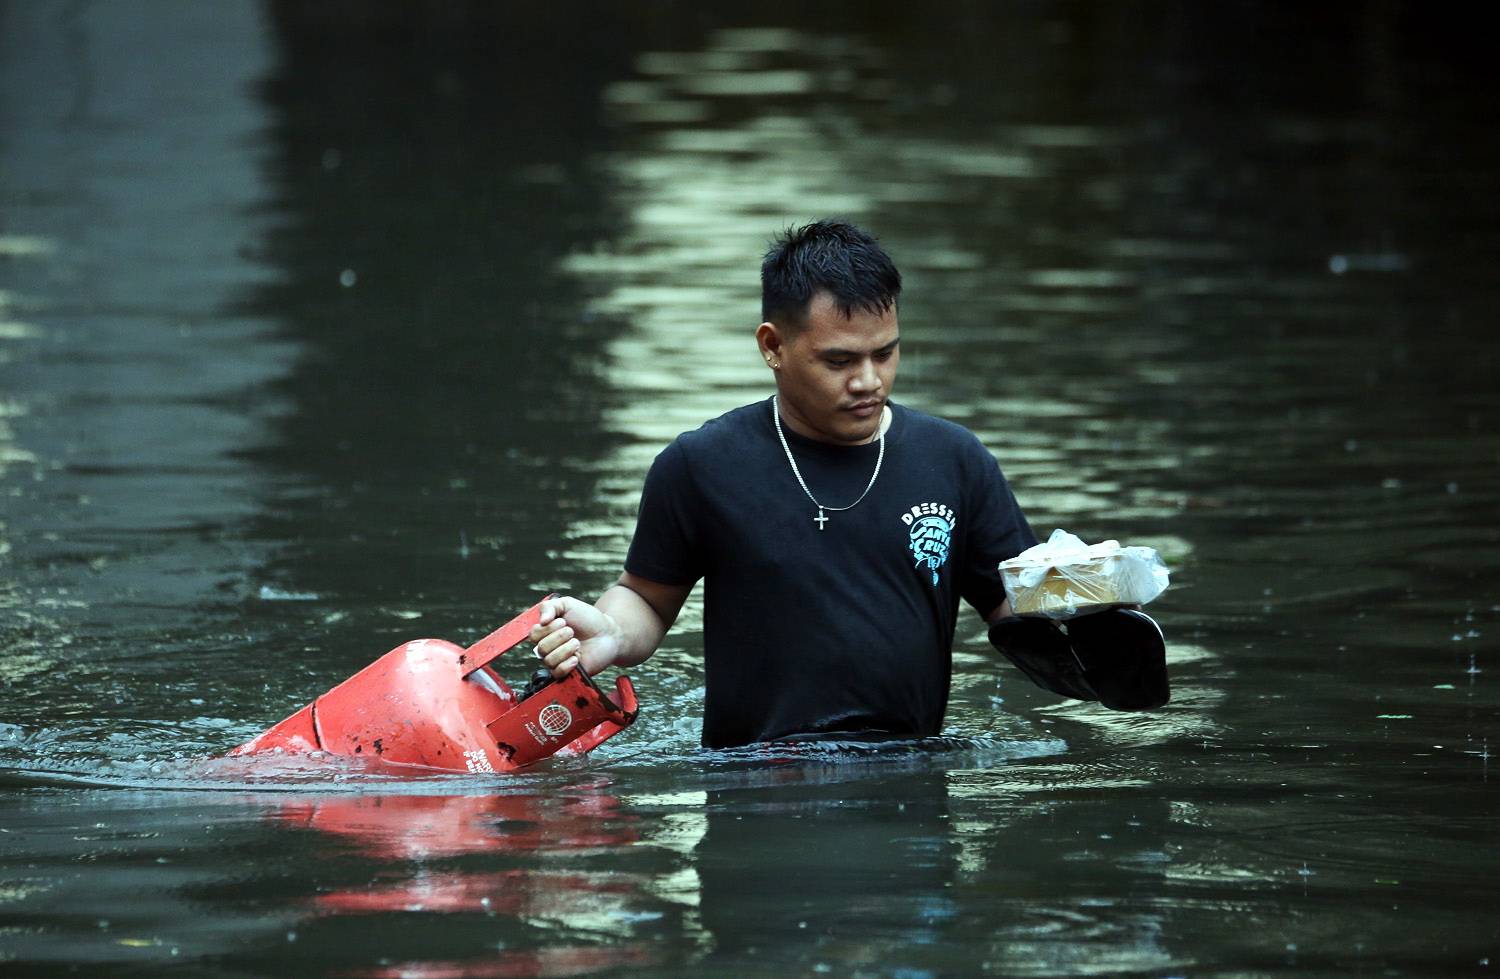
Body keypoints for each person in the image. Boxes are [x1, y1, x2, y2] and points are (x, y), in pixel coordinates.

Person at [530, 220, 1166, 750]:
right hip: (754, 783)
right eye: (839, 360)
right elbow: (646, 595)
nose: (869, 380)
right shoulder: (701, 465)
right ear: (773, 346)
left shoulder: (956, 460)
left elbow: (1016, 611)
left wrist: (1089, 601)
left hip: (911, 775)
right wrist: (610, 635)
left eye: (884, 353)